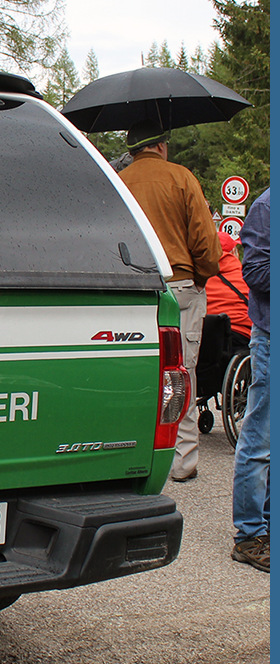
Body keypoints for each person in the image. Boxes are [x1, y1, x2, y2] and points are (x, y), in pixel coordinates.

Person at [118, 119, 222, 482]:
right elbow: (207, 246)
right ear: (161, 145)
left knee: (133, 372)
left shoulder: (119, 182)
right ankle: (182, 461)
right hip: (178, 287)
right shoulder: (181, 178)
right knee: (181, 373)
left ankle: (126, 453)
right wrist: (201, 275)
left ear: (133, 149)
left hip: (128, 289)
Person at [232, 187, 269, 573]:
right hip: (271, 337)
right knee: (259, 439)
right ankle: (249, 536)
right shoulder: (266, 206)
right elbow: (256, 273)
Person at [206, 230, 252, 343]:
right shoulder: (246, 276)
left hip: (205, 336)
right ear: (233, 252)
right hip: (242, 335)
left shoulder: (198, 277)